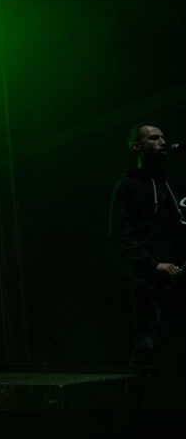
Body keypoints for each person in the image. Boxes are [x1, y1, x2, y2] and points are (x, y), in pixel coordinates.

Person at [109, 121, 186, 407]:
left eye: (163, 137)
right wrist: (154, 265)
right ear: (137, 146)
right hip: (147, 283)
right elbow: (121, 236)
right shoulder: (126, 187)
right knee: (146, 346)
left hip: (177, 281)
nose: (162, 142)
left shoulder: (170, 185)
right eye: (153, 138)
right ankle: (135, 415)